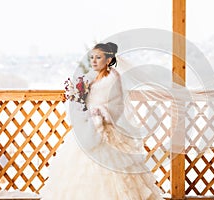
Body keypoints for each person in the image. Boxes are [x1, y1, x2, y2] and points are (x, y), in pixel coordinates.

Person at [40, 42, 164, 200]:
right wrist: (77, 99)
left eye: (98, 57)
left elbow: (117, 106)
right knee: (78, 171)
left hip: (106, 128)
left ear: (108, 60)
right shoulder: (90, 77)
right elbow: (84, 99)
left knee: (112, 172)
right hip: (87, 128)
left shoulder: (113, 78)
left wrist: (101, 114)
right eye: (92, 57)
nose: (93, 61)